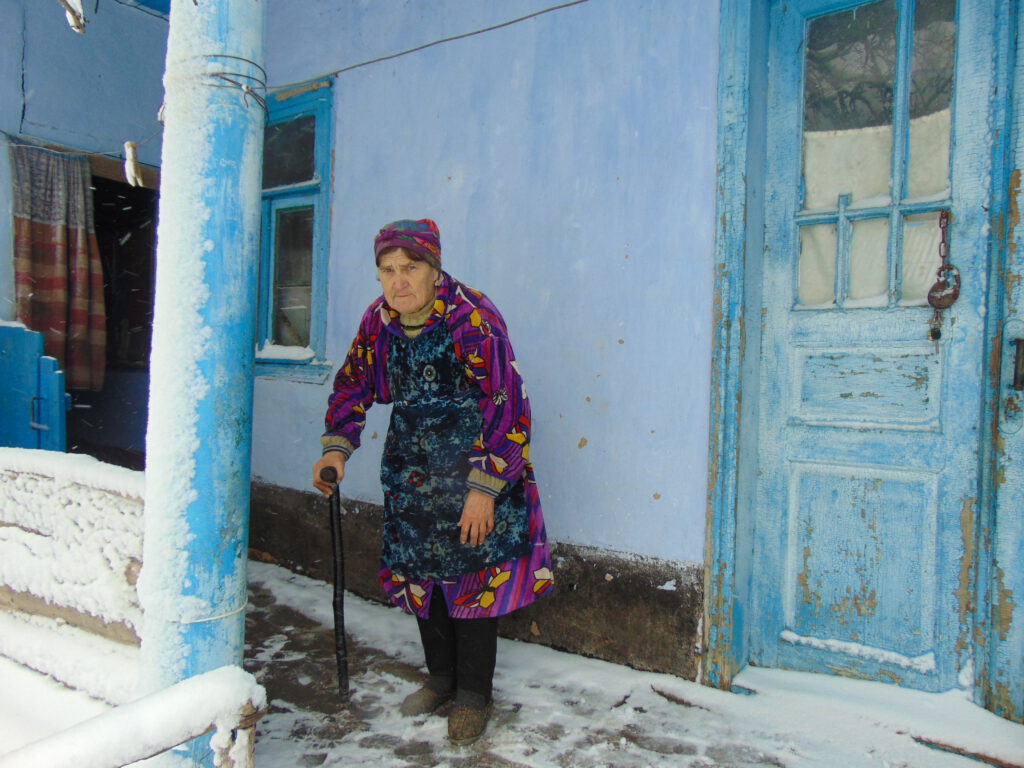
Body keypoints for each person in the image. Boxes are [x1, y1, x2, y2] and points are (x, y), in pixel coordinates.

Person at [312, 218, 554, 745]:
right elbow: (354, 382)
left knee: (472, 584)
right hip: (413, 475)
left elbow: (506, 403)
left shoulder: (473, 318)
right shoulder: (380, 320)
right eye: (387, 270)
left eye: (411, 267)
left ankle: (473, 694)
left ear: (434, 267)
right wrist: (338, 447)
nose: (399, 281)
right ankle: (441, 678)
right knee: (422, 579)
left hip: (474, 472)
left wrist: (484, 488)